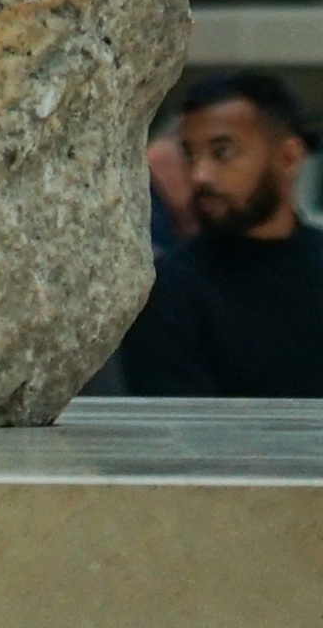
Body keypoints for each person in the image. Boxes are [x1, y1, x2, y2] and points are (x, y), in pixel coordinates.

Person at [110, 70, 323, 396]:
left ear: (287, 157)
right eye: (190, 154)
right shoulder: (168, 289)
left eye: (222, 152)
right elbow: (180, 432)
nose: (200, 176)